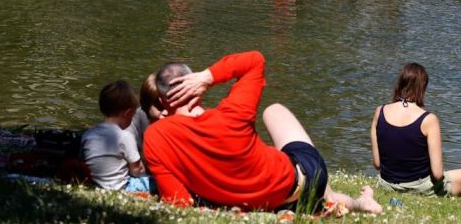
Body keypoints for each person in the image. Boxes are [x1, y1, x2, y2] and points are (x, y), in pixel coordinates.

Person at [143, 51, 382, 214]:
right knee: (273, 110)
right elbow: (255, 60)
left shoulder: (155, 139)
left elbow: (179, 203)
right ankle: (361, 202)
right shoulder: (233, 113)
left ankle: (361, 202)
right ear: (195, 85)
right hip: (301, 183)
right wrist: (208, 77)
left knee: (317, 190)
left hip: (271, 205)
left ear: (163, 101)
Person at [370, 63, 461, 198]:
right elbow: (438, 174)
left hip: (387, 185)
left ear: (400, 84)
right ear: (423, 88)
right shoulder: (428, 119)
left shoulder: (379, 111)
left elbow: (377, 163)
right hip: (421, 188)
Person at [81, 80, 155, 193]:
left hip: (94, 184)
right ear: (127, 113)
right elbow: (137, 170)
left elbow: (83, 160)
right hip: (122, 187)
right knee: (155, 182)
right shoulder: (125, 137)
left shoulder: (88, 134)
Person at [127, 74, 164, 156]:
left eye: (169, 105)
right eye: (160, 107)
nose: (166, 112)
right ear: (146, 104)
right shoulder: (129, 126)